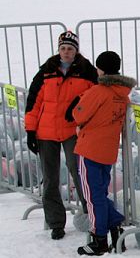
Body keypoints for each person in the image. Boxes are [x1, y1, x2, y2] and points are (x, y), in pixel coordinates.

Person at [24, 30, 98, 240]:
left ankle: (90, 216)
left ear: (76, 51)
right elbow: (33, 102)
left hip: (72, 130)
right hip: (45, 131)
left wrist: (77, 103)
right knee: (50, 178)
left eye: (70, 49)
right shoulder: (46, 71)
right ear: (59, 50)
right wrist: (30, 129)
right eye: (63, 48)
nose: (66, 52)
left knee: (80, 174)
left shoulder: (86, 71)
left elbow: (95, 94)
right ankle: (56, 223)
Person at [68, 51, 136, 256]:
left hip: (90, 148)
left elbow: (78, 115)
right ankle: (115, 227)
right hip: (108, 150)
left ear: (101, 69)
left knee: (92, 195)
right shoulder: (123, 94)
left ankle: (99, 239)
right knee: (100, 192)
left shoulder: (99, 91)